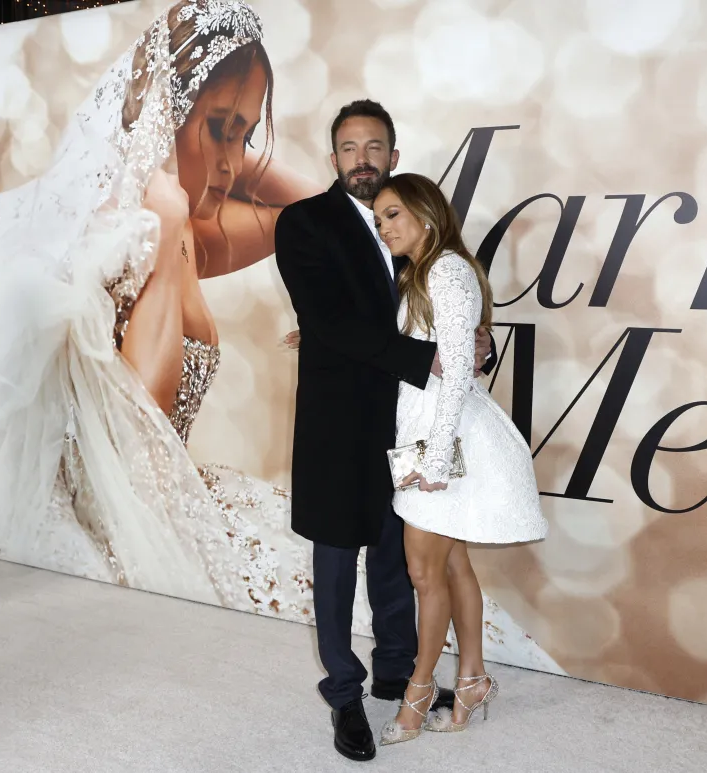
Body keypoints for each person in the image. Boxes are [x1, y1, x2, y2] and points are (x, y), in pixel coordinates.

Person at [0, 0, 324, 622]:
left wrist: (219, 146)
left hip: (159, 502)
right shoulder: (121, 232)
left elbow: (324, 214)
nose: (233, 162)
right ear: (167, 111)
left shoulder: (192, 229)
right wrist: (172, 214)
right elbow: (137, 445)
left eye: (247, 134)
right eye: (218, 126)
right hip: (102, 512)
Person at [275, 100, 505, 762]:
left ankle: (397, 673)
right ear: (334, 160)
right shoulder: (304, 223)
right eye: (349, 148)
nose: (362, 159)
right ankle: (344, 690)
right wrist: (427, 358)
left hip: (410, 417)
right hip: (338, 422)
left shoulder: (413, 225)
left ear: (393, 157)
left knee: (402, 556)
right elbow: (330, 322)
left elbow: (443, 302)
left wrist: (471, 341)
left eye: (374, 146)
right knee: (336, 556)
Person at [372, 173, 548, 746]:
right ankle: (471, 678)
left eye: (393, 214)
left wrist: (439, 459)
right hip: (430, 436)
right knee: (451, 566)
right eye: (379, 220)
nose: (385, 227)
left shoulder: (445, 271)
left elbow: (452, 376)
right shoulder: (425, 272)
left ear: (425, 213)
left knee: (425, 571)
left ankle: (418, 693)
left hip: (441, 441)